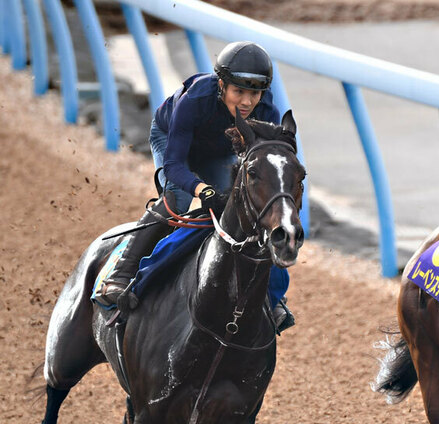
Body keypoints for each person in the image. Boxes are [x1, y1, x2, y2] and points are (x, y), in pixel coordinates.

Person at [95, 41, 295, 331]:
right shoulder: (196, 99)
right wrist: (202, 190)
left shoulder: (267, 112)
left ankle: (271, 297)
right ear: (221, 85)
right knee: (175, 200)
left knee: (245, 213)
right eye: (239, 91)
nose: (247, 102)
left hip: (217, 152)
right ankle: (121, 273)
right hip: (172, 142)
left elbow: (264, 165)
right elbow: (175, 165)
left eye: (255, 92)